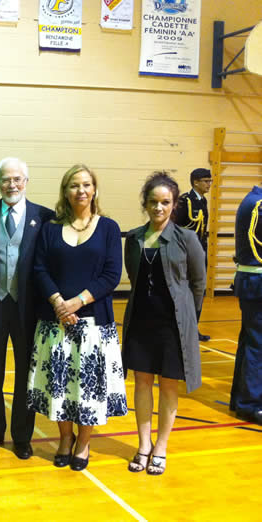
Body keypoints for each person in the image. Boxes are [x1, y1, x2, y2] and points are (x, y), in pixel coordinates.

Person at [27, 164, 127, 472]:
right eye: (74, 185)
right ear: (65, 191)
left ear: (94, 189)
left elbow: (112, 275)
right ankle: (65, 440)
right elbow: (39, 268)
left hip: (94, 324)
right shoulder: (50, 227)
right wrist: (59, 303)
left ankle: (83, 444)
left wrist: (77, 302)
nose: (80, 190)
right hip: (55, 323)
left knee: (89, 390)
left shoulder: (109, 227)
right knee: (61, 387)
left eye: (86, 184)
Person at [122, 172, 206, 475]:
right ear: (145, 203)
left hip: (172, 326)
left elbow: (199, 283)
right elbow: (134, 277)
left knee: (168, 386)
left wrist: (188, 320)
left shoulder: (187, 239)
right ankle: (143, 444)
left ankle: (161, 447)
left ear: (174, 205)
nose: (159, 208)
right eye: (154, 202)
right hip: (141, 322)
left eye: (165, 202)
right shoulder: (133, 239)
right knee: (142, 384)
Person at [0, 158, 54, 460]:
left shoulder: (45, 217)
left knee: (26, 374)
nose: (12, 185)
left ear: (26, 182)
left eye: (17, 179)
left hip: (28, 308)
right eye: (6, 180)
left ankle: (22, 436)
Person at [229, 183, 262, 426]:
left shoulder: (253, 199)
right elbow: (256, 249)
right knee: (257, 345)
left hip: (253, 281)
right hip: (257, 280)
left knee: (251, 342)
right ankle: (251, 404)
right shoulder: (257, 204)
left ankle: (241, 399)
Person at [174, 168, 213, 341]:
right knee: (183, 292)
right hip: (184, 254)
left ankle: (193, 328)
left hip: (199, 253)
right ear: (195, 182)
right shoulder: (185, 201)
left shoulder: (202, 201)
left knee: (198, 291)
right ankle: (179, 329)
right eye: (205, 181)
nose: (209, 184)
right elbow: (175, 227)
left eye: (210, 181)